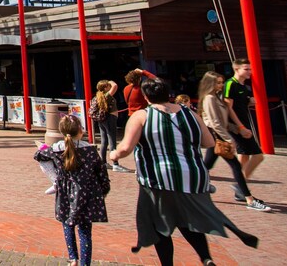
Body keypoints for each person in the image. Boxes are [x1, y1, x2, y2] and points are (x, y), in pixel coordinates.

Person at [110, 79, 257, 266]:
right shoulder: (190, 114)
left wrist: (114, 154)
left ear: (146, 97)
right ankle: (206, 257)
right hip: (193, 176)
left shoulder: (142, 115)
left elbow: (126, 148)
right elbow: (209, 142)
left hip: (159, 177)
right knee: (189, 220)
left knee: (160, 225)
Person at [34, 115, 109, 266]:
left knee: (67, 224)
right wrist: (103, 189)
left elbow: (39, 155)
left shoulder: (56, 150)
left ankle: (73, 257)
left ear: (62, 131)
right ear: (80, 130)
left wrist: (55, 178)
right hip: (86, 194)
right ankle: (85, 263)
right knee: (85, 231)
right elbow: (101, 172)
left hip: (65, 193)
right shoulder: (90, 150)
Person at [199, 71, 270, 211]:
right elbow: (215, 123)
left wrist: (238, 129)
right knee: (236, 166)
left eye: (221, 82)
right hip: (218, 137)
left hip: (218, 137)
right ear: (210, 84)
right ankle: (249, 199)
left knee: (206, 165)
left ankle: (191, 185)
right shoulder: (210, 98)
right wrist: (229, 139)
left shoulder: (216, 97)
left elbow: (223, 121)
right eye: (218, 83)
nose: (221, 85)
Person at [224, 59, 264, 184]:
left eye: (250, 69)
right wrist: (240, 127)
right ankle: (241, 183)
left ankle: (240, 184)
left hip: (244, 123)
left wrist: (250, 102)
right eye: (246, 69)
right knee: (258, 155)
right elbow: (228, 108)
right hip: (236, 125)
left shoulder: (244, 86)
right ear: (236, 69)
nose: (249, 72)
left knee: (244, 154)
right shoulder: (230, 84)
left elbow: (241, 104)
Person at [92, 79, 132, 173]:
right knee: (112, 140)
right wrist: (110, 81)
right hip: (109, 119)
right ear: (105, 87)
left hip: (102, 119)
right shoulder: (107, 95)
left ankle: (103, 162)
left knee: (104, 140)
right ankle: (115, 164)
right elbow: (115, 86)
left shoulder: (98, 97)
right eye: (108, 86)